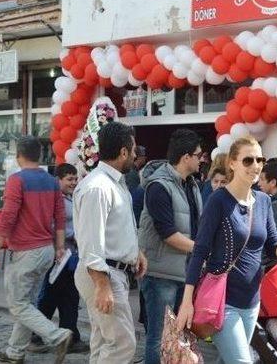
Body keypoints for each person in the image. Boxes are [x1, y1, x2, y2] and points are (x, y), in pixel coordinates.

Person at [176, 137, 277, 364]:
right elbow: (200, 251)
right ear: (232, 163)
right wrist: (187, 301)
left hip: (252, 301)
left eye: (259, 160)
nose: (255, 166)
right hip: (223, 301)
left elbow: (273, 247)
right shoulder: (219, 201)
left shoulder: (264, 201)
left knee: (228, 360)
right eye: (248, 160)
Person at [0, 136, 73, 364]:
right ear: (40, 155)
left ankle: (57, 335)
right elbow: (59, 218)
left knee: (19, 305)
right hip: (46, 250)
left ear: (19, 156)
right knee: (26, 303)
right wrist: (59, 248)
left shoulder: (17, 180)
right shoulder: (50, 181)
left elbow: (7, 216)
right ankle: (15, 352)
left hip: (26, 252)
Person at [73, 122, 148, 363]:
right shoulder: (98, 187)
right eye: (133, 149)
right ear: (124, 152)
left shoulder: (114, 183)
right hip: (103, 274)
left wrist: (136, 252)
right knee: (122, 344)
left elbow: (118, 227)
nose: (136, 155)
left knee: (103, 341)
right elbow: (90, 243)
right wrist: (102, 286)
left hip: (111, 272)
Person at [138, 129, 204, 364]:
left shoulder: (192, 184)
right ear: (186, 157)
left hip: (184, 272)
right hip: (160, 275)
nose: (201, 158)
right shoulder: (159, 186)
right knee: (158, 338)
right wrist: (201, 249)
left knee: (178, 336)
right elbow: (167, 233)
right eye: (198, 154)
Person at [31, 164, 89, 354]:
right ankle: (35, 336)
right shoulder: (54, 201)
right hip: (58, 257)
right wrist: (69, 239)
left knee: (69, 297)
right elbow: (52, 227)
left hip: (70, 258)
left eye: (75, 179)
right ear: (58, 180)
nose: (73, 182)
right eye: (69, 179)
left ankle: (71, 336)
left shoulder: (70, 198)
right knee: (50, 297)